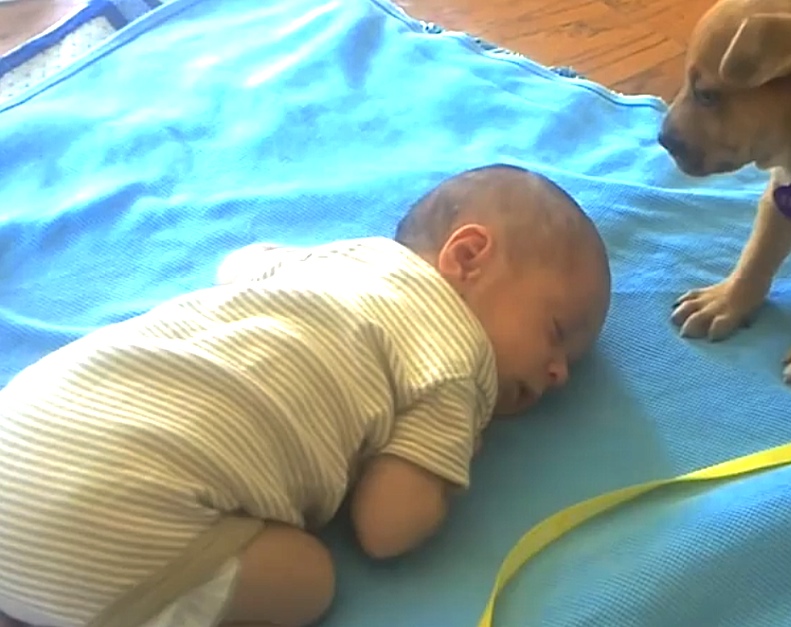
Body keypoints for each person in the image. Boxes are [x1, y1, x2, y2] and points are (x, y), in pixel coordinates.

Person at [0, 164, 612, 627]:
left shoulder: (347, 256)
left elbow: (238, 264)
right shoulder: (457, 362)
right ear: (469, 257)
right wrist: (444, 473)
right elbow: (387, 528)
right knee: (310, 579)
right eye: (556, 333)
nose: (558, 372)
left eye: (569, 365)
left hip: (26, 432)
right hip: (103, 535)